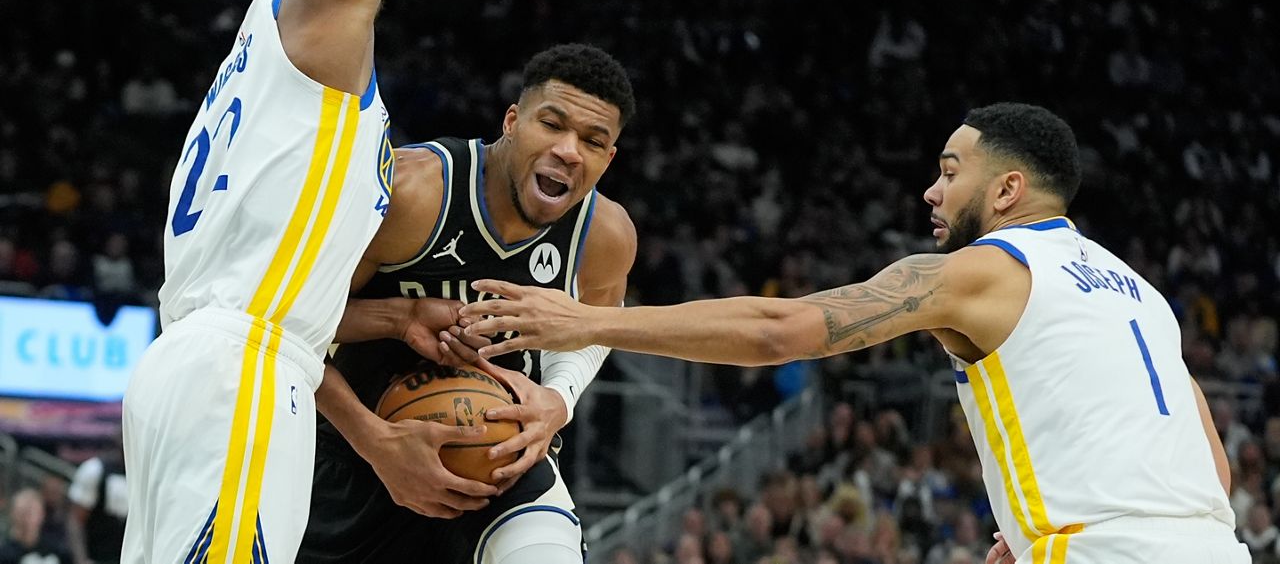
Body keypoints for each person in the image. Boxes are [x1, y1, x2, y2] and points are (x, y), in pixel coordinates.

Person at [460, 103, 1249, 564]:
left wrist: (587, 319)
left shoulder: (991, 266)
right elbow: (1209, 466)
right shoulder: (1142, 292)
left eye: (950, 169)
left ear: (1007, 188)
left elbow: (784, 328)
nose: (931, 188)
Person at [121, 0, 485, 563]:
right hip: (243, 371)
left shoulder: (253, 74)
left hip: (189, 369)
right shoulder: (313, 7)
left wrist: (398, 314)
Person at [297, 44, 638, 564]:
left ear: (608, 159)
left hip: (500, 457)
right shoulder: (412, 192)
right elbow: (284, 321)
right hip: (356, 449)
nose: (570, 151)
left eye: (594, 141)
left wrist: (558, 399)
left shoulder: (604, 235)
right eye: (552, 124)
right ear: (512, 121)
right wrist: (376, 437)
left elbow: (596, 329)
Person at [67, 440, 127, 564]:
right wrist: (81, 559)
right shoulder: (95, 470)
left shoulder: (146, 473)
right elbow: (75, 520)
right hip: (98, 557)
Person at [0, 488, 68, 564]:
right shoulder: (6, 554)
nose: (27, 519)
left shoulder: (56, 548)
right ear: (13, 514)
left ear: (42, 514)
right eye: (23, 512)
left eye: (33, 512)